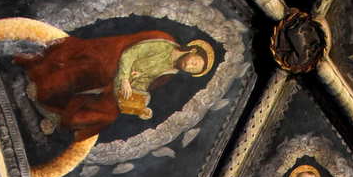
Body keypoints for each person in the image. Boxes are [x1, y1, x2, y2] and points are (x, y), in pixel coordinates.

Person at [15, 31, 214, 140]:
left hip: (118, 85)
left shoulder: (169, 74)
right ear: (192, 51)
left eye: (194, 69)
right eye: (195, 62)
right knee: (94, 69)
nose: (191, 66)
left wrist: (141, 106)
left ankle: (59, 118)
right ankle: (41, 83)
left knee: (108, 114)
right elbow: (130, 53)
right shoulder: (165, 44)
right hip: (114, 61)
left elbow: (143, 84)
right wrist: (126, 77)